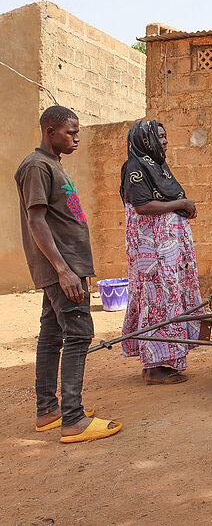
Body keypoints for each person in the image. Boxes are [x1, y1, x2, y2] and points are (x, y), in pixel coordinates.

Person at [15, 105, 122, 443]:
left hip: (65, 268)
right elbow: (36, 220)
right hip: (63, 270)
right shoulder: (36, 166)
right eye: (70, 132)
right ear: (50, 131)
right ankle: (73, 419)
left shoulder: (50, 165)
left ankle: (48, 410)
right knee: (78, 333)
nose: (76, 138)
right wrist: (64, 270)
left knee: (51, 335)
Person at [120, 119, 203, 384]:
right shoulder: (135, 167)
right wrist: (183, 203)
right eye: (160, 137)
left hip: (166, 250)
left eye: (166, 137)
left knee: (168, 299)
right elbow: (142, 206)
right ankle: (153, 367)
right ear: (146, 141)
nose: (165, 142)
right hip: (152, 252)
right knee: (157, 301)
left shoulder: (156, 166)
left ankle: (161, 361)